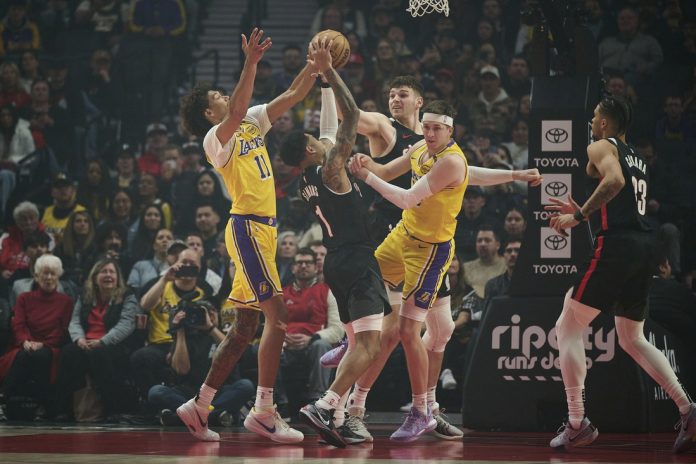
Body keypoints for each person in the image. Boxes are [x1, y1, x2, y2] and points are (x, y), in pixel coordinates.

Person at [331, 77, 541, 442]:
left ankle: (420, 411)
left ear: (449, 130)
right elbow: (393, 172)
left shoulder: (450, 161)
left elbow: (408, 197)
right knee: (367, 283)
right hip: (402, 234)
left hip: (429, 250)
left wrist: (367, 177)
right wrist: (368, 164)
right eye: (426, 128)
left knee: (411, 331)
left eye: (436, 129)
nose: (429, 134)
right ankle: (355, 345)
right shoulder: (420, 148)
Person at [177, 27, 318, 443]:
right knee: (279, 318)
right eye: (217, 96)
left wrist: (316, 66)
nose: (224, 96)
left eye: (224, 93)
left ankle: (199, 405)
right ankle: (264, 410)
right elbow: (236, 111)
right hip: (247, 228)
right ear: (209, 113)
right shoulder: (213, 140)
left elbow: (292, 94)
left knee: (244, 329)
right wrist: (250, 63)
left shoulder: (253, 120)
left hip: (265, 232)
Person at [544, 95, 695, 453]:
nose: (591, 122)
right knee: (631, 337)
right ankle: (688, 409)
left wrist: (577, 216)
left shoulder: (601, 145)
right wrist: (586, 211)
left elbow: (614, 182)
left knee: (567, 327)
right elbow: (621, 203)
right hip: (644, 246)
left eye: (594, 116)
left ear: (604, 123)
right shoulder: (637, 158)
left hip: (619, 246)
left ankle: (577, 423)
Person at [279, 39, 389, 447]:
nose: (322, 140)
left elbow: (327, 131)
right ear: (311, 149)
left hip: (335, 263)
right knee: (372, 345)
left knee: (357, 343)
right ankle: (326, 404)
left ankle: (338, 418)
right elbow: (352, 116)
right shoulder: (330, 169)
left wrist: (324, 82)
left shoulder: (305, 181)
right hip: (358, 261)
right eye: (316, 140)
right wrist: (331, 70)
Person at [53, 258, 138, 420]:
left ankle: (112, 410)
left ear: (118, 277)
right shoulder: (85, 295)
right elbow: (75, 321)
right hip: (86, 342)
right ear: (95, 277)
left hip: (113, 344)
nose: (108, 275)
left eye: (112, 272)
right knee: (68, 352)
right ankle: (63, 410)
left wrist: (102, 341)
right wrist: (79, 339)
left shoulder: (127, 295)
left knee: (99, 354)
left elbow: (127, 324)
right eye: (103, 271)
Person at [148, 300, 255, 428]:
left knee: (246, 386)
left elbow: (235, 354)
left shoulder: (225, 335)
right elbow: (181, 370)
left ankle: (182, 417)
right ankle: (214, 416)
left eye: (208, 313)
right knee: (156, 391)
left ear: (215, 315)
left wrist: (211, 328)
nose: (205, 317)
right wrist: (180, 332)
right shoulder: (185, 337)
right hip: (189, 393)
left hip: (219, 392)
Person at [0, 255, 73, 420]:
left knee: (40, 355)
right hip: (25, 343)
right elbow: (18, 324)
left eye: (53, 273)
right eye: (45, 273)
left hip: (51, 346)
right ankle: (5, 398)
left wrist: (43, 343)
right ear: (36, 275)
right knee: (24, 354)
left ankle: (37, 403)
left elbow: (63, 330)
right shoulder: (24, 298)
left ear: (58, 276)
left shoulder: (66, 302)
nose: (49, 277)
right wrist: (25, 340)